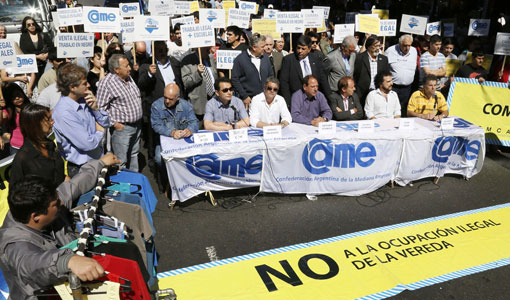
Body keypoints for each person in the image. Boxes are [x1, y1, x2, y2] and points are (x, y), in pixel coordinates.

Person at [0, 154, 120, 299]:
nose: (60, 203)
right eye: (55, 204)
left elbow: (73, 186)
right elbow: (32, 264)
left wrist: (100, 163)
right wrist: (67, 261)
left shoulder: (44, 203)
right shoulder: (14, 244)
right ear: (36, 216)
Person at [53, 64, 110, 177]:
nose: (88, 85)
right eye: (84, 83)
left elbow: (106, 123)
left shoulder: (85, 100)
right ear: (72, 87)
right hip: (81, 169)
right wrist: (99, 132)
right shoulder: (64, 113)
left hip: (96, 160)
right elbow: (87, 144)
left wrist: (96, 109)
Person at [97, 54, 143, 172]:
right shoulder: (107, 83)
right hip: (122, 128)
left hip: (136, 126)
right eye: (126, 66)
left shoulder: (128, 78)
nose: (130, 68)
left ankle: (134, 182)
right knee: (120, 160)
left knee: (133, 155)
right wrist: (114, 123)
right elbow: (100, 108)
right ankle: (122, 187)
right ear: (116, 70)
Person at [151, 83, 198, 191]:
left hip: (183, 140)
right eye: (165, 97)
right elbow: (156, 126)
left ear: (178, 98)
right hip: (165, 140)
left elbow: (194, 122)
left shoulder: (186, 106)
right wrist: (172, 132)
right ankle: (167, 180)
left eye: (170, 99)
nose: (167, 101)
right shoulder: (156, 106)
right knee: (159, 158)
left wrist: (189, 130)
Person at [10, 104, 66, 186]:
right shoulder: (23, 157)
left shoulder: (50, 145)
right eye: (48, 120)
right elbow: (16, 193)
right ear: (35, 124)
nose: (52, 122)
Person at [279, 35, 332, 108]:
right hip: (296, 101)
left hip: (314, 100)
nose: (300, 51)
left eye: (303, 49)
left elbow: (323, 80)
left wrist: (330, 99)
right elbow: (284, 83)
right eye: (298, 48)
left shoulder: (316, 59)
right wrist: (288, 103)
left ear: (309, 49)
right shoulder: (288, 60)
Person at [231, 33, 274, 110]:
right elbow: (235, 79)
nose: (265, 48)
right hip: (249, 101)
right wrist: (244, 96)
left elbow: (271, 76)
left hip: (265, 99)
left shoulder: (265, 58)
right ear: (254, 47)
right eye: (262, 46)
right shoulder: (240, 59)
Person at [181, 46, 218, 121]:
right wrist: (197, 73)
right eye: (206, 48)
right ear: (199, 47)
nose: (209, 50)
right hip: (198, 106)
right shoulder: (187, 60)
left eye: (209, 48)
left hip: (214, 103)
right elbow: (186, 83)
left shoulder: (211, 58)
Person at [385, 34, 418, 117]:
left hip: (407, 88)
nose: (407, 48)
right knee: (391, 108)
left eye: (409, 45)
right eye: (405, 45)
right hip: (393, 86)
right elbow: (383, 67)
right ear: (399, 44)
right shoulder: (390, 51)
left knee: (403, 109)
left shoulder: (414, 51)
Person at [353, 35, 390, 106]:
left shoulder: (384, 59)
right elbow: (355, 75)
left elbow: (386, 75)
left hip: (378, 92)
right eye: (375, 46)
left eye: (379, 46)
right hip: (363, 93)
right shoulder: (360, 58)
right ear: (369, 46)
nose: (377, 48)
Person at [19, 17, 52, 86]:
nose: (31, 26)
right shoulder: (23, 37)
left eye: (33, 24)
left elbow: (51, 47)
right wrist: (37, 57)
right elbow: (24, 52)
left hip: (46, 64)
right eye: (29, 25)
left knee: (46, 84)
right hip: (33, 65)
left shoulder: (44, 35)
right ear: (25, 26)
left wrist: (47, 55)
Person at [0, 84, 28, 154]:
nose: (17, 98)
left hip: (33, 145)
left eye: (19, 95)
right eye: (13, 97)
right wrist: (0, 107)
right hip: (16, 148)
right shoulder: (8, 111)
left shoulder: (31, 108)